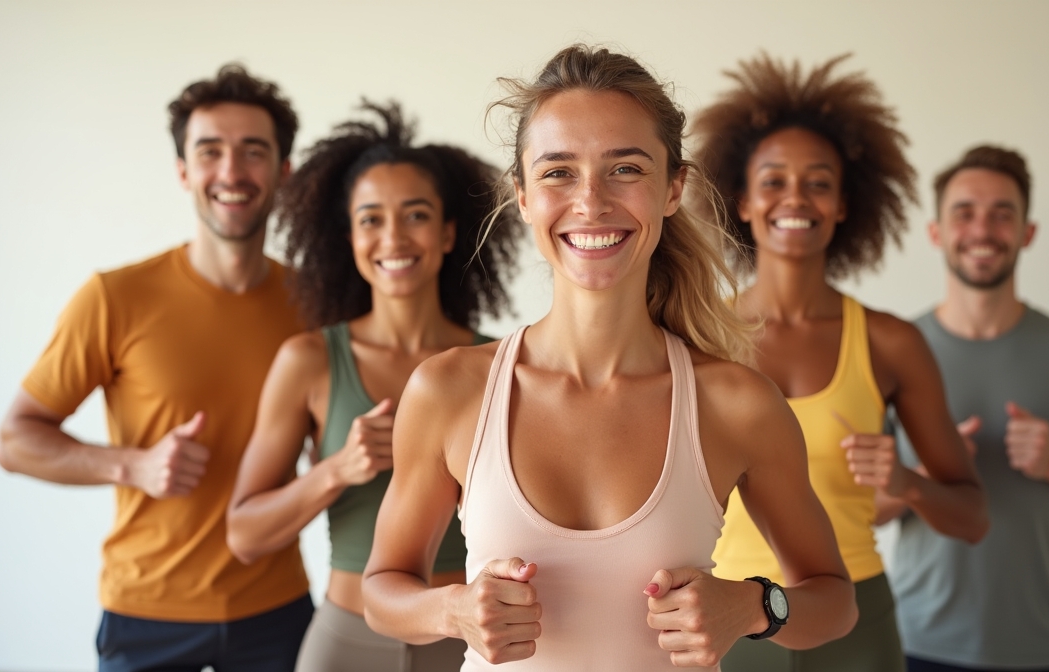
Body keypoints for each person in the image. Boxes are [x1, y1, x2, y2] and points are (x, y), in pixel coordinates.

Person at [361, 44, 858, 670]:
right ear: (522, 195)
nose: (591, 202)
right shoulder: (449, 389)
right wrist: (451, 610)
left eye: (625, 169)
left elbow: (835, 602)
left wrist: (755, 606)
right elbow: (381, 590)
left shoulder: (736, 403)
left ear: (673, 188)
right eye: (558, 171)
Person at [0, 64, 313, 671]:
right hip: (146, 612)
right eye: (210, 151)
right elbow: (14, 440)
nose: (230, 171)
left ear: (283, 171)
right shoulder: (115, 298)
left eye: (253, 151)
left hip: (277, 611)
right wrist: (132, 465)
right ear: (183, 171)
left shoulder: (313, 304)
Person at [693, 53, 989, 671]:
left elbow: (972, 517)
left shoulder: (889, 342)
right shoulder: (694, 332)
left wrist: (905, 484)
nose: (795, 197)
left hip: (852, 621)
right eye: (773, 180)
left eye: (819, 181)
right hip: (729, 622)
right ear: (741, 201)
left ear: (845, 205)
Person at [226, 100, 523, 672]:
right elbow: (245, 534)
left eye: (415, 215)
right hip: (345, 644)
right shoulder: (309, 361)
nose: (394, 237)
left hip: (470, 644)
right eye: (371, 218)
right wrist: (336, 469)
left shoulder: (503, 365)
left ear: (446, 232)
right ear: (349, 237)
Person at [877, 145, 1049, 672]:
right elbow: (851, 511)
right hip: (914, 648)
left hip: (1041, 653)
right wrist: (926, 475)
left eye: (1002, 214)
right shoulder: (892, 351)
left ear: (1027, 233)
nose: (983, 230)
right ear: (936, 233)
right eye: (965, 213)